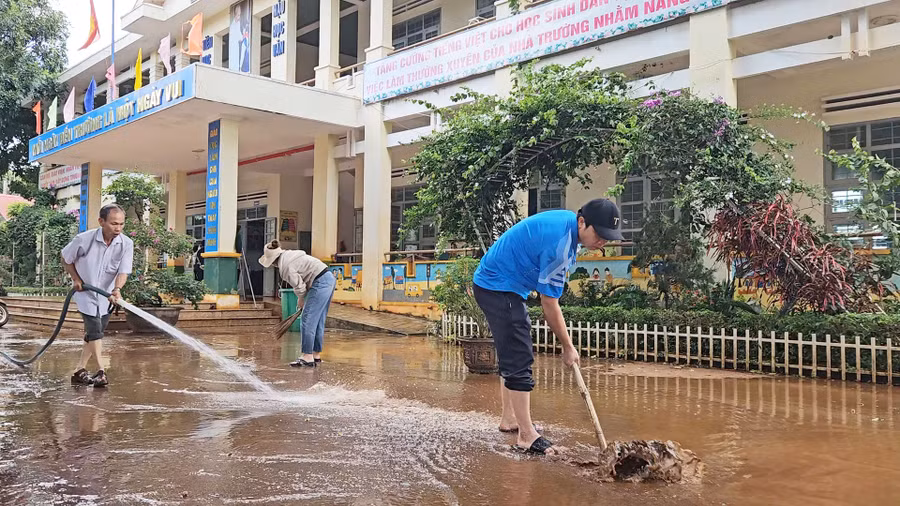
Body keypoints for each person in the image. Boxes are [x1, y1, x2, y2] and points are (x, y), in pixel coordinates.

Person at [473, 198, 623, 455]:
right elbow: (549, 304)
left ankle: (510, 419)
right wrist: (568, 347)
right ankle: (527, 436)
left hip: (500, 284)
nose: (602, 242)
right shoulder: (560, 245)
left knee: (512, 350)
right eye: (599, 234)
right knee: (519, 354)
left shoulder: (566, 225)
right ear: (582, 222)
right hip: (496, 286)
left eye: (607, 238)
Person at [61, 204, 134, 387]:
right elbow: (65, 258)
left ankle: (79, 370)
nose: (118, 228)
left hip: (106, 296)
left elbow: (123, 271)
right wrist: (76, 279)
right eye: (113, 223)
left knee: (93, 334)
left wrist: (117, 289)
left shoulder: (126, 244)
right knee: (95, 331)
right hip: (85, 292)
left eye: (121, 224)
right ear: (101, 221)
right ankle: (102, 371)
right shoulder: (83, 240)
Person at [259, 240, 336, 367]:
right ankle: (315, 354)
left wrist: (301, 300)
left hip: (320, 282)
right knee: (318, 320)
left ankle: (307, 356)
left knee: (307, 319)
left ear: (272, 261)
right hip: (328, 278)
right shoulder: (290, 254)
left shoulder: (285, 267)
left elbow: (300, 287)